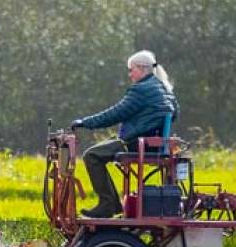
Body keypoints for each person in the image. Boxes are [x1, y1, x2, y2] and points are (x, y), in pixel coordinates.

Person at [69, 50, 179, 218]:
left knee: (92, 155)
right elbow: (175, 113)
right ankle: (112, 205)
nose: (130, 74)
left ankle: (108, 205)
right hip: (153, 145)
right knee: (102, 149)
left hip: (137, 144)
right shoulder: (164, 88)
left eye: (131, 69)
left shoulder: (141, 90)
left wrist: (85, 122)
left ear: (142, 69)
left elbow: (115, 114)